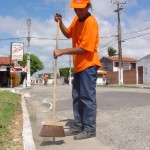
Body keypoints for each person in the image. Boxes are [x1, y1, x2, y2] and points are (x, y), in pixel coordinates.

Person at [53, 0, 101, 140]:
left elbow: (85, 48)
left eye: (80, 9)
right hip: (79, 65)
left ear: (87, 6)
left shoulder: (91, 23)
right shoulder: (76, 19)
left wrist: (62, 51)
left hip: (89, 64)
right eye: (75, 9)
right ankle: (78, 126)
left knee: (87, 97)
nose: (77, 11)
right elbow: (68, 33)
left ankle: (89, 129)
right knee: (77, 97)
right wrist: (60, 22)